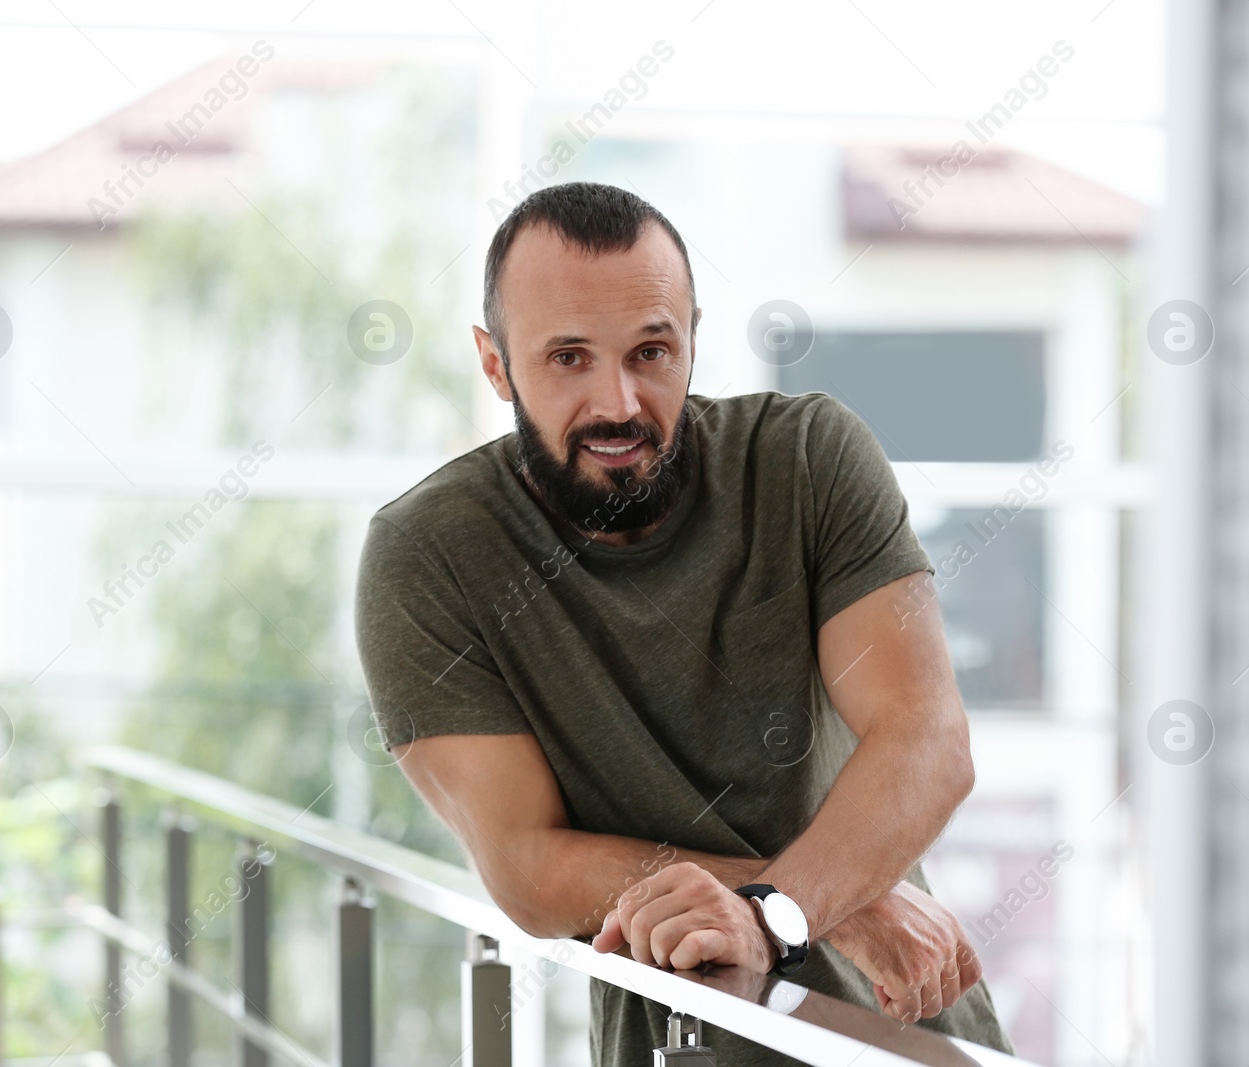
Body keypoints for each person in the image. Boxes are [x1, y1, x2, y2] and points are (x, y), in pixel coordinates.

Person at [354, 181, 1013, 1065]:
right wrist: (818, 906)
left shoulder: (808, 459)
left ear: (694, 335)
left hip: (905, 1035)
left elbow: (928, 741)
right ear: (495, 362)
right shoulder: (429, 555)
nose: (619, 402)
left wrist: (773, 913)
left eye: (652, 350)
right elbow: (530, 867)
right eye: (568, 358)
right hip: (682, 1047)